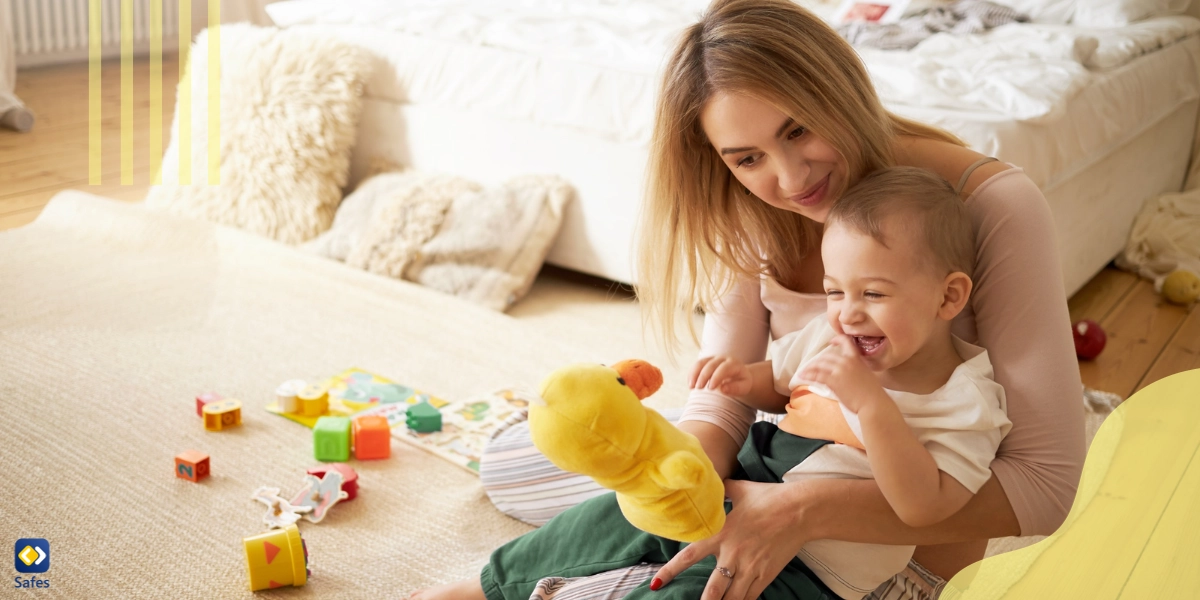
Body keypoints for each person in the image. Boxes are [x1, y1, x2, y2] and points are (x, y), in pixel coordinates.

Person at [475, 0, 1085, 598]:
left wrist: (800, 508)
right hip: (769, 463)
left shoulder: (989, 206)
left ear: (838, 87)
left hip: (874, 559)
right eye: (748, 158)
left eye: (798, 128)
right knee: (513, 464)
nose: (792, 180)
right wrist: (685, 476)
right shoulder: (753, 203)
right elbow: (723, 406)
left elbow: (1047, 487)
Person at [411, 167, 1012, 600]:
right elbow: (781, 388)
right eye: (835, 291)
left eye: (873, 294)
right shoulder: (832, 338)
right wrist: (742, 380)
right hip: (726, 490)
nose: (848, 313)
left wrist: (871, 406)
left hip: (811, 569)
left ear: (949, 296)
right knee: (615, 515)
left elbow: (926, 507)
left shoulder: (965, 398)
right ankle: (489, 586)